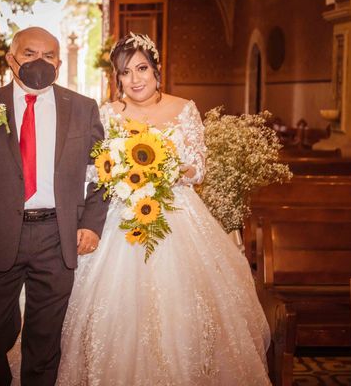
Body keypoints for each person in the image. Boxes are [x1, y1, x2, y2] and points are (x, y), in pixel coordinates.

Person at [57, 33, 272, 385]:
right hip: (121, 217)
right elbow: (94, 168)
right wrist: (122, 168)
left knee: (182, 316)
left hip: (176, 216)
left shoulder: (184, 108)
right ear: (117, 78)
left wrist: (168, 168)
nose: (135, 79)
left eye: (142, 68)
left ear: (157, 69)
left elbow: (198, 168)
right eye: (125, 72)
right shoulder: (108, 113)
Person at [0, 26, 108, 386]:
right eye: (30, 54)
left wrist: (92, 223)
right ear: (11, 59)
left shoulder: (83, 108)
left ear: (60, 62)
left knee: (46, 334)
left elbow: (102, 172)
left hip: (58, 233)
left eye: (49, 55)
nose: (40, 61)